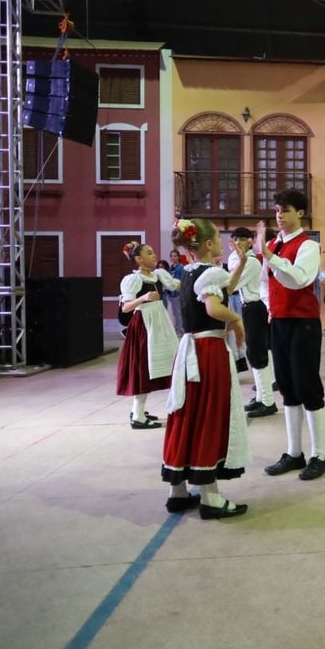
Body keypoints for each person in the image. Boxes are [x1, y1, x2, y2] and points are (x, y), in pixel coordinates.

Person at [161, 217, 251, 519]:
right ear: (210, 244)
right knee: (211, 416)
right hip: (207, 351)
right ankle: (211, 497)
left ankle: (178, 491)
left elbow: (224, 287)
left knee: (187, 414)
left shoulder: (187, 272)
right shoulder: (209, 273)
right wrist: (236, 321)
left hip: (189, 349)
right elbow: (214, 307)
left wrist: (241, 262)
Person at [260, 190, 325, 481]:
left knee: (307, 386)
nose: (279, 215)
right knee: (288, 387)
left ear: (300, 212)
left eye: (285, 210)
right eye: (277, 210)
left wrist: (272, 258)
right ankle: (294, 452)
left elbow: (300, 278)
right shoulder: (274, 244)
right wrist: (269, 306)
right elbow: (266, 282)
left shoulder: (308, 246)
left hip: (303, 323)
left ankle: (320, 455)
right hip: (280, 322)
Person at [116, 242, 181, 429]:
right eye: (149, 253)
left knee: (162, 364)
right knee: (142, 368)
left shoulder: (159, 275)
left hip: (160, 323)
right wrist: (143, 298)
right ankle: (137, 415)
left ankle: (139, 410)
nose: (154, 256)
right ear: (138, 259)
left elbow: (177, 286)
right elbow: (126, 306)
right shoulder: (133, 279)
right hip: (144, 324)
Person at [228, 226, 277, 419]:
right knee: (253, 354)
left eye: (242, 239)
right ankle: (260, 396)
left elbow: (231, 285)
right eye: (235, 240)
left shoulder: (250, 263)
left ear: (250, 241)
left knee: (258, 355)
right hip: (248, 308)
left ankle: (267, 401)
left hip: (255, 308)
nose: (237, 243)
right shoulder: (242, 260)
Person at [165, 249, 186, 336]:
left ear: (178, 257)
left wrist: (180, 292)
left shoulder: (181, 267)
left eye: (175, 256)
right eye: (171, 256)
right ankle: (178, 329)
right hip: (172, 294)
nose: (173, 258)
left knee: (178, 313)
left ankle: (180, 330)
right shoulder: (170, 268)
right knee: (175, 313)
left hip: (178, 294)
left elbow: (183, 280)